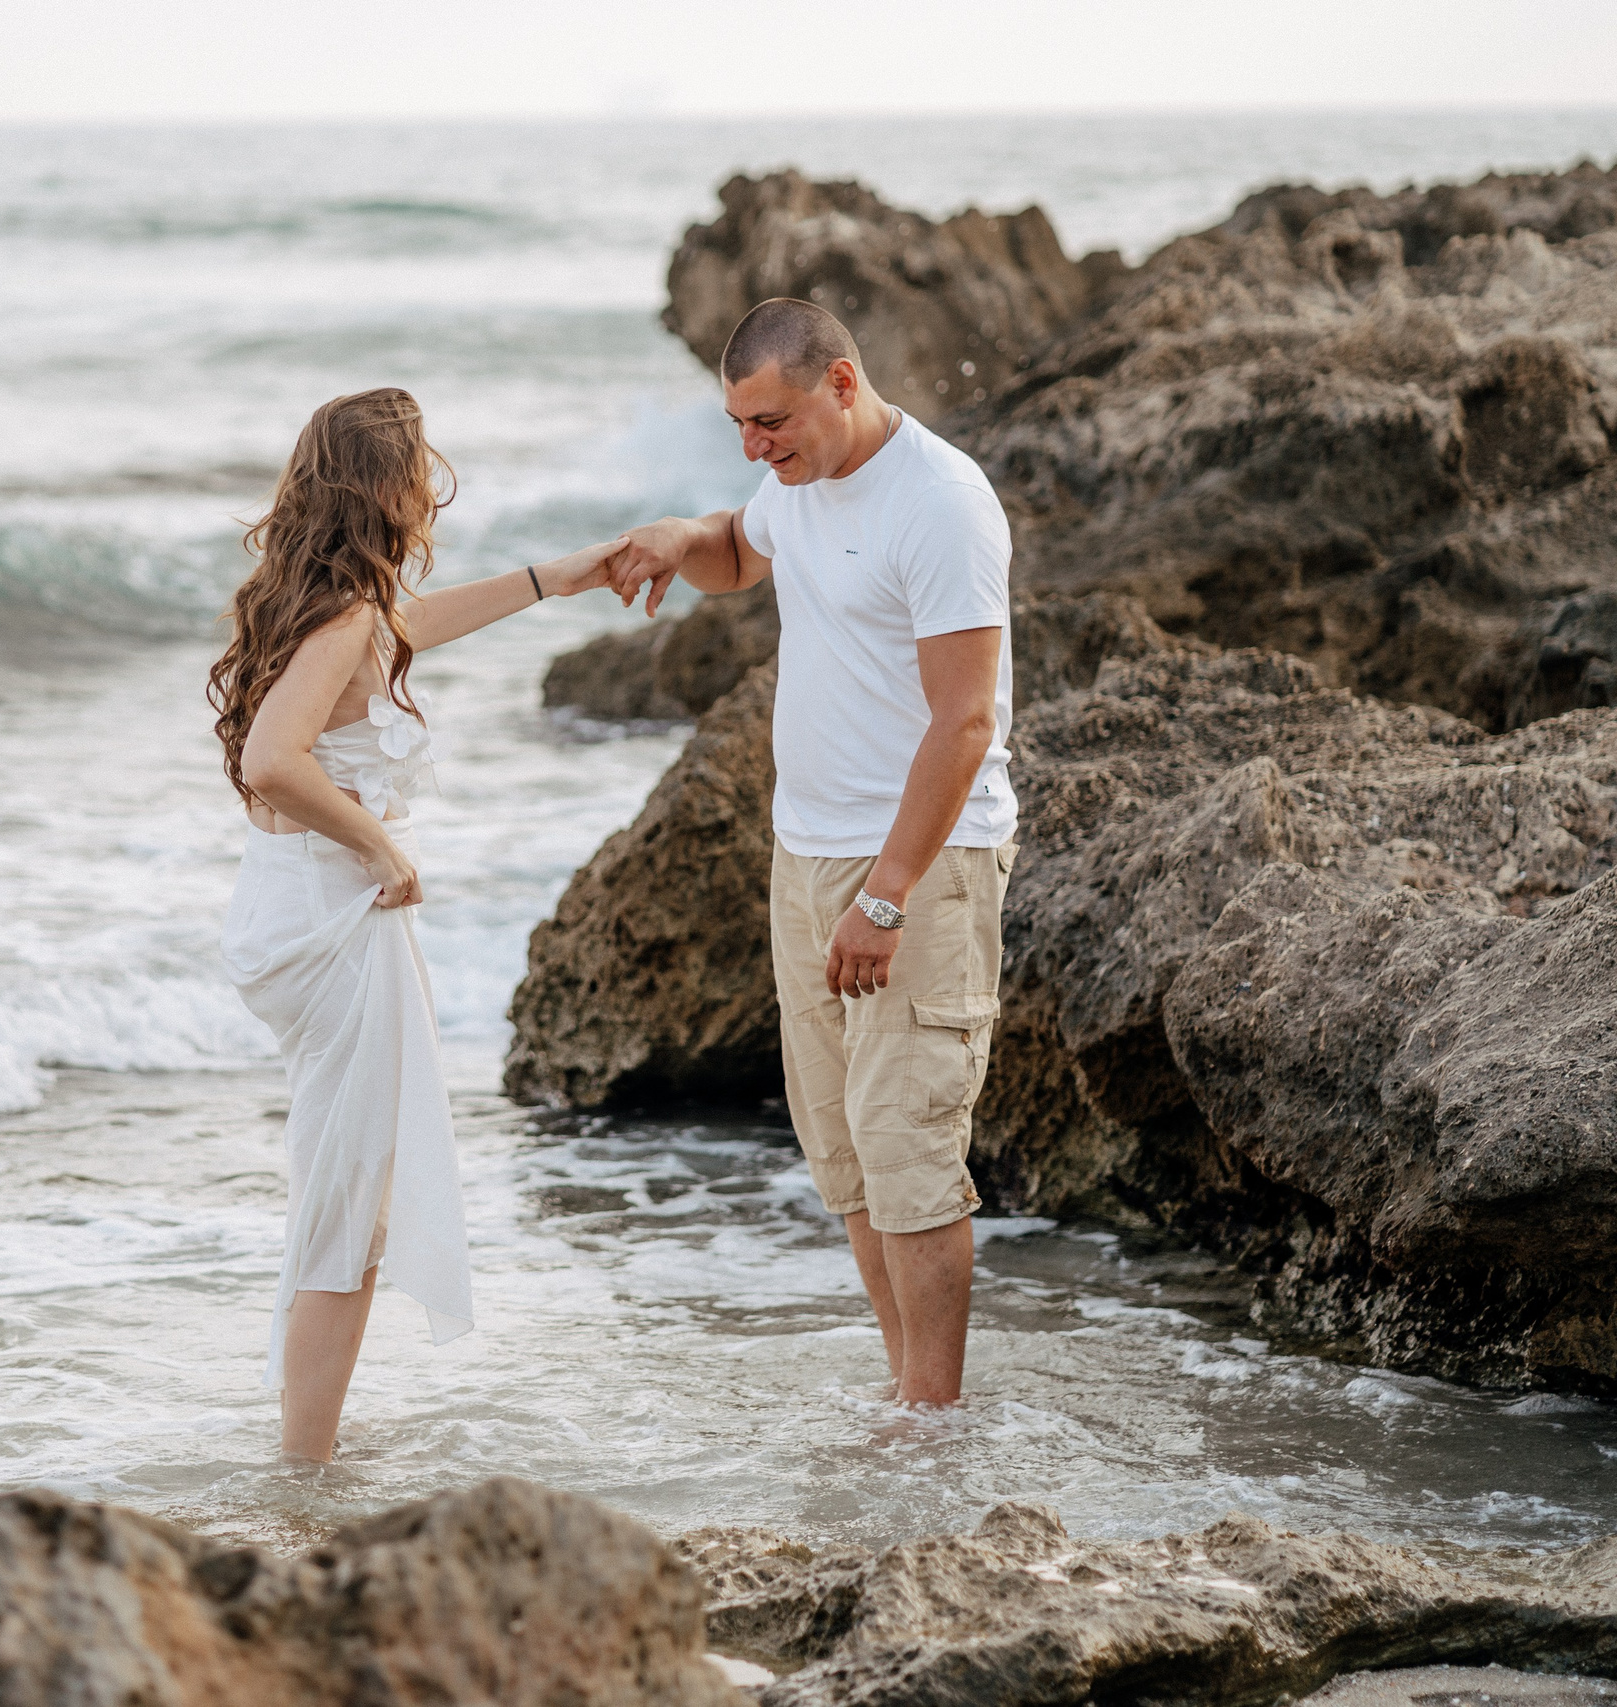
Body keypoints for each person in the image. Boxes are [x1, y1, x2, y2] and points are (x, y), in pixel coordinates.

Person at [609, 298, 1018, 1408]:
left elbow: (964, 723)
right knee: (845, 1159)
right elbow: (741, 554)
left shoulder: (939, 505)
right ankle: (904, 1401)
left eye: (770, 419)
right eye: (739, 425)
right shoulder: (794, 482)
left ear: (841, 383)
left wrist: (885, 898)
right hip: (805, 863)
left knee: (910, 1160)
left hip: (915, 871)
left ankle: (933, 1421)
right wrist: (680, 538)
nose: (754, 446)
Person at [210, 387, 624, 1462]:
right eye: (418, 465)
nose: (430, 482)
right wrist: (380, 845)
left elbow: (414, 628)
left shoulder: (331, 605)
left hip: (297, 903)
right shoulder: (346, 617)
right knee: (350, 1212)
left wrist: (557, 577)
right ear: (385, 485)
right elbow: (271, 762)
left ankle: (308, 1449)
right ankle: (302, 1473)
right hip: (333, 917)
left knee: (351, 1199)